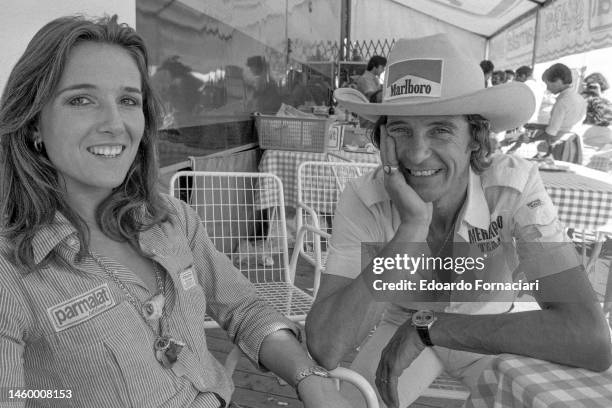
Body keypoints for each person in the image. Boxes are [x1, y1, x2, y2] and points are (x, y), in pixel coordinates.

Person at [0, 15, 350, 408]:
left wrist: (310, 380)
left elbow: (243, 307)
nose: (115, 124)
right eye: (81, 100)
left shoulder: (171, 219)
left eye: (128, 101)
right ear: (33, 124)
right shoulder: (11, 270)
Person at [306, 34, 611, 408]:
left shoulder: (514, 185)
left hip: (487, 327)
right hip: (401, 320)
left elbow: (591, 338)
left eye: (440, 129)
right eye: (401, 129)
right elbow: (325, 346)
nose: (417, 154)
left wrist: (432, 329)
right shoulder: (364, 195)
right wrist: (412, 228)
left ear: (475, 138)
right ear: (382, 138)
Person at [534, 63, 586, 143]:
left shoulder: (562, 102)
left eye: (548, 84)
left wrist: (530, 140)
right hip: (574, 144)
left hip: (560, 146)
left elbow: (550, 133)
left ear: (558, 81)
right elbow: (563, 126)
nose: (547, 88)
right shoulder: (580, 98)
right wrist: (536, 126)